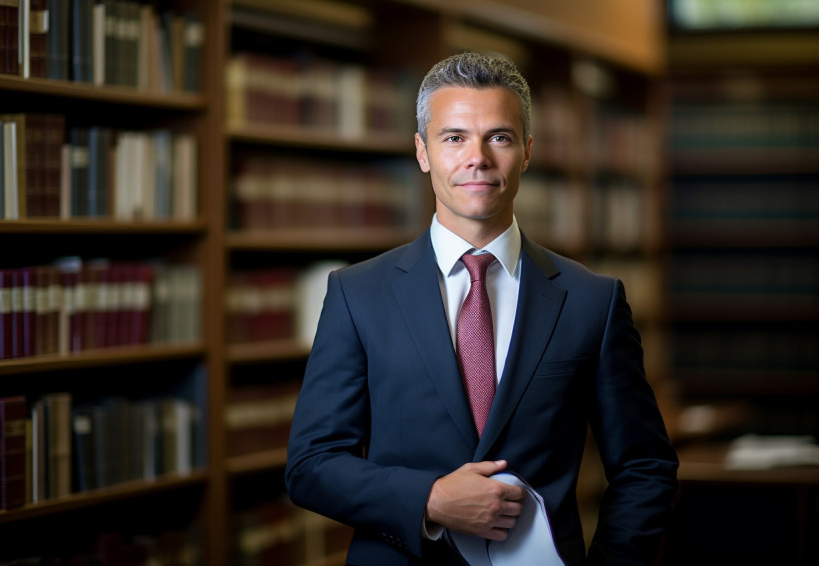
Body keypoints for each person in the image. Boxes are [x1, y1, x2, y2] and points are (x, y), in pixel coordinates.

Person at [285, 51, 679, 566]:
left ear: (527, 151)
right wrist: (429, 498)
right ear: (422, 151)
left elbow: (644, 465)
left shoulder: (593, 301)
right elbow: (311, 466)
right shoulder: (357, 294)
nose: (478, 157)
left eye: (499, 137)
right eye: (454, 138)